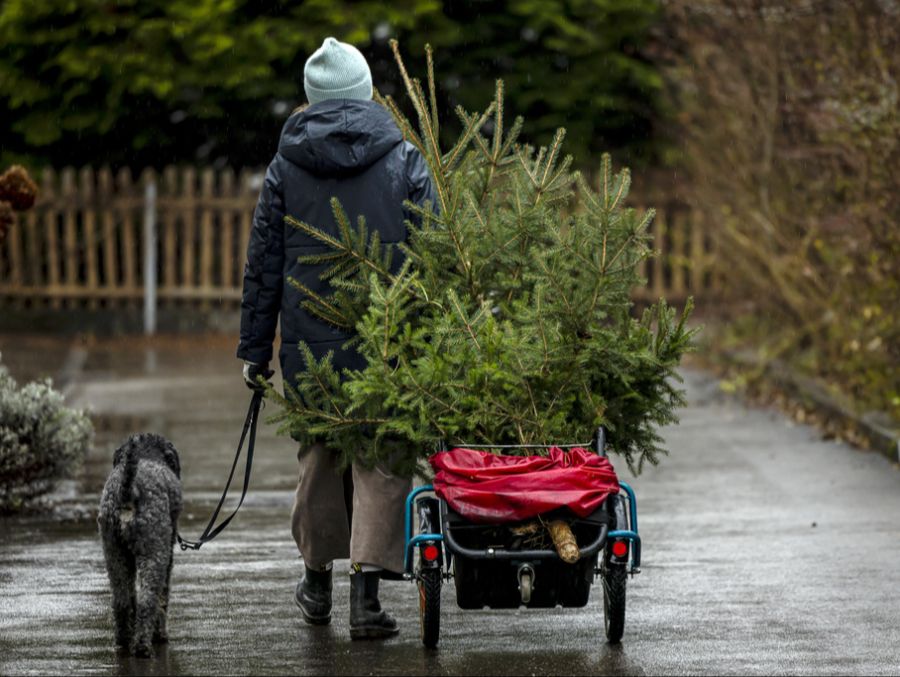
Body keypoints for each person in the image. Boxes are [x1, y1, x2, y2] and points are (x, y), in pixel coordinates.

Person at [237, 37, 436, 639]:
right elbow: (434, 256)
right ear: (366, 91)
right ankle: (366, 599)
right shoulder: (403, 158)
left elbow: (264, 263)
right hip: (387, 340)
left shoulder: (285, 166)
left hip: (309, 346)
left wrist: (254, 350)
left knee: (320, 457)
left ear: (311, 98)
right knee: (381, 458)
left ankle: (317, 585)